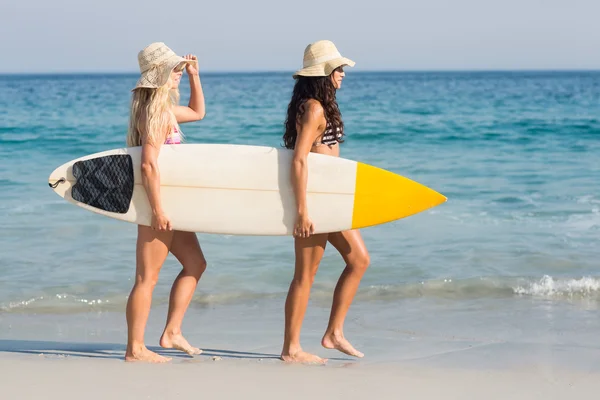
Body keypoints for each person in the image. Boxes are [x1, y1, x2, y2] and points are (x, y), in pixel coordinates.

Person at [281, 40, 370, 364]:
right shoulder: (313, 108)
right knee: (305, 275)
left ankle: (333, 333)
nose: (343, 74)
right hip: (314, 204)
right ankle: (291, 349)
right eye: (338, 68)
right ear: (324, 72)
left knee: (359, 260)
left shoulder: (320, 105)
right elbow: (299, 160)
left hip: (330, 202)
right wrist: (302, 212)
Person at [124, 42, 207, 363]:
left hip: (171, 206)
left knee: (196, 264)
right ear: (159, 75)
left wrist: (195, 77)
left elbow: (198, 113)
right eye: (175, 71)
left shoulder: (164, 111)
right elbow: (148, 165)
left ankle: (172, 332)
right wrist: (157, 210)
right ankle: (135, 349)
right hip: (157, 207)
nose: (179, 75)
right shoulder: (157, 113)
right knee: (147, 278)